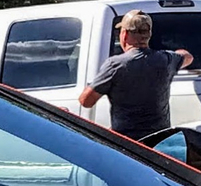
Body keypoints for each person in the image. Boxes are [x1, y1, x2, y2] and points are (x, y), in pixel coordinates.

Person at [78, 10, 194, 141]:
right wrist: (176, 54)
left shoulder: (115, 65)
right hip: (159, 141)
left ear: (125, 34)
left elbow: (86, 101)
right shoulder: (165, 60)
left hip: (128, 143)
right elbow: (188, 57)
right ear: (148, 35)